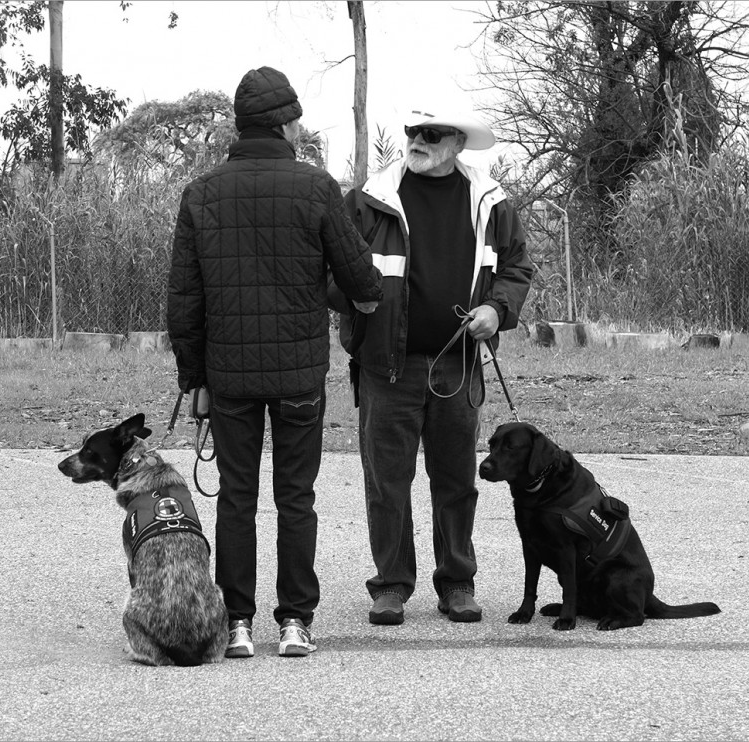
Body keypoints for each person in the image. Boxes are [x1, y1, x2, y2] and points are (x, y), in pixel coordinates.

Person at [167, 66, 382, 658]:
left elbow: (184, 302)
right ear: (285, 123)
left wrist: (195, 380)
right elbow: (361, 276)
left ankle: (237, 623)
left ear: (241, 125)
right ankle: (294, 622)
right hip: (297, 376)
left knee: (236, 496)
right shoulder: (315, 189)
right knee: (296, 496)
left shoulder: (201, 194)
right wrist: (354, 298)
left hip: (229, 377)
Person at [330, 109, 533, 625]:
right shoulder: (366, 200)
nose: (418, 142)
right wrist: (357, 298)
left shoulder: (491, 202)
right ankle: (392, 586)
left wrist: (496, 309)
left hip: (458, 367)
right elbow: (326, 269)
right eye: (413, 133)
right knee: (387, 482)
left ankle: (458, 584)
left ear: (457, 143)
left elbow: (515, 267)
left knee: (456, 480)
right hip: (385, 367)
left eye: (432, 134)